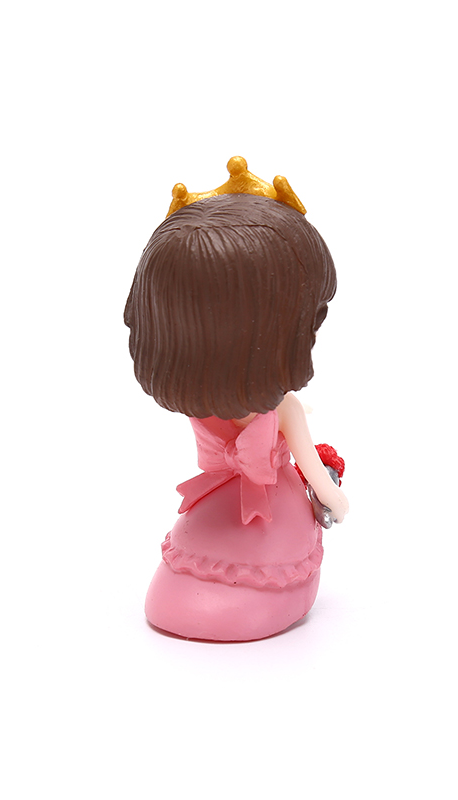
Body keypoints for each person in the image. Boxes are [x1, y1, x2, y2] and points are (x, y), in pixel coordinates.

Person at [124, 177, 348, 641]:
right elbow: (317, 475)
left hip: (215, 504)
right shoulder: (286, 409)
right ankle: (268, 587)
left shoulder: (202, 399)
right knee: (262, 558)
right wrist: (337, 501)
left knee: (196, 561)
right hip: (273, 517)